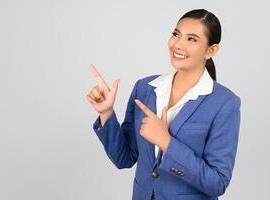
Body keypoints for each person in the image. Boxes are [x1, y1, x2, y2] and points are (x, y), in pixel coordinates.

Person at [86, 8, 241, 200]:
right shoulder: (144, 88)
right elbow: (123, 158)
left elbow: (217, 183)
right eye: (176, 34)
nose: (178, 44)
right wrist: (106, 113)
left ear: (211, 50)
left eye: (191, 39)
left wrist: (166, 142)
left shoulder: (225, 103)